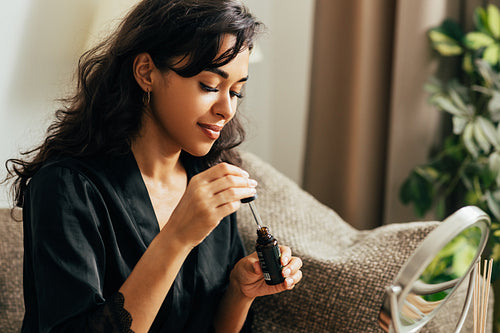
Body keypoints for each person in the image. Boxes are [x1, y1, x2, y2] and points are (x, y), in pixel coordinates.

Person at [5, 0, 303, 332]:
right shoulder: (66, 188)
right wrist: (176, 237)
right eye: (209, 86)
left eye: (236, 92)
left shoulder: (208, 182)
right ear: (146, 72)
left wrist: (238, 293)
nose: (226, 109)